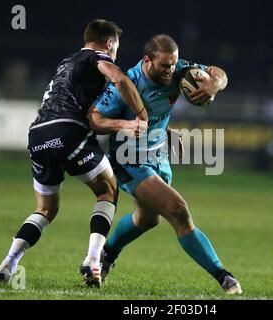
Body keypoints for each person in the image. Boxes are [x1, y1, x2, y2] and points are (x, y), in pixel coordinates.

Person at [0, 19, 148, 288]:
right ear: (109, 43)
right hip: (67, 130)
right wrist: (140, 116)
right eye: (116, 45)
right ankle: (93, 260)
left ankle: (7, 264)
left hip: (38, 133)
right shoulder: (97, 57)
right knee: (108, 191)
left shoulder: (67, 61)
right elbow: (119, 78)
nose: (116, 50)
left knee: (45, 209)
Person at [89, 34, 242, 294]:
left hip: (159, 156)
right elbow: (95, 118)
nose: (171, 70)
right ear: (147, 61)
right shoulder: (126, 84)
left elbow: (220, 73)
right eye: (164, 66)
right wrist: (125, 125)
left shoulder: (178, 69)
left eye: (173, 64)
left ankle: (107, 255)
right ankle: (224, 277)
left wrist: (213, 85)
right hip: (130, 159)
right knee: (178, 211)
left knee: (147, 219)